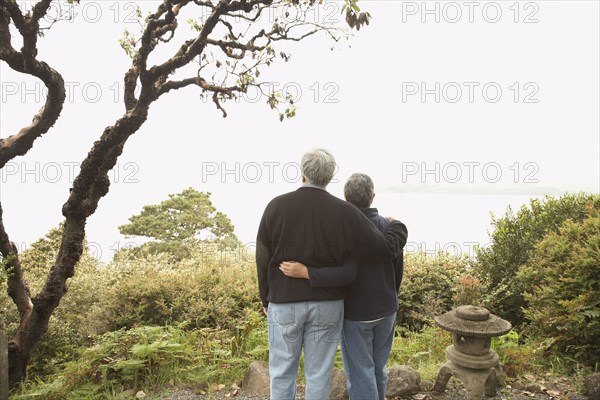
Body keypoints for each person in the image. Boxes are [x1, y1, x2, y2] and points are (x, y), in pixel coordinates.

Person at [256, 150, 407, 400]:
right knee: (319, 375)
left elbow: (262, 256)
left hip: (283, 302)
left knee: (282, 373)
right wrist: (398, 226)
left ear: (302, 173)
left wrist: (265, 298)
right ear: (330, 176)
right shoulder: (344, 212)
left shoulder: (276, 206)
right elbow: (382, 248)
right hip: (327, 304)